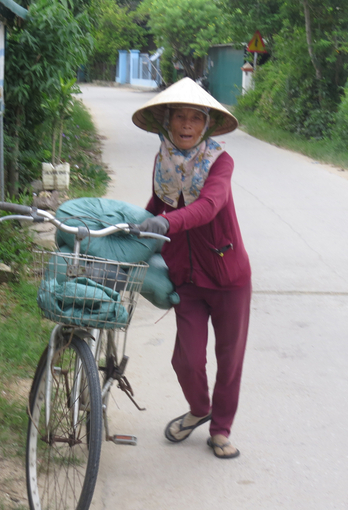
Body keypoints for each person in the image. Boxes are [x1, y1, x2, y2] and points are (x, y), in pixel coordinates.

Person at [131, 77, 252, 459]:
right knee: (186, 359)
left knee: (229, 359)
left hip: (227, 275)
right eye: (179, 117)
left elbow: (210, 206)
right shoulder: (163, 159)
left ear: (206, 125)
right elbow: (158, 203)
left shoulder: (220, 161)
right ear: (167, 122)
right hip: (185, 276)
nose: (186, 125)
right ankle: (200, 409)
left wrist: (167, 223)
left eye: (194, 119)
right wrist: (133, 226)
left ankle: (220, 429)